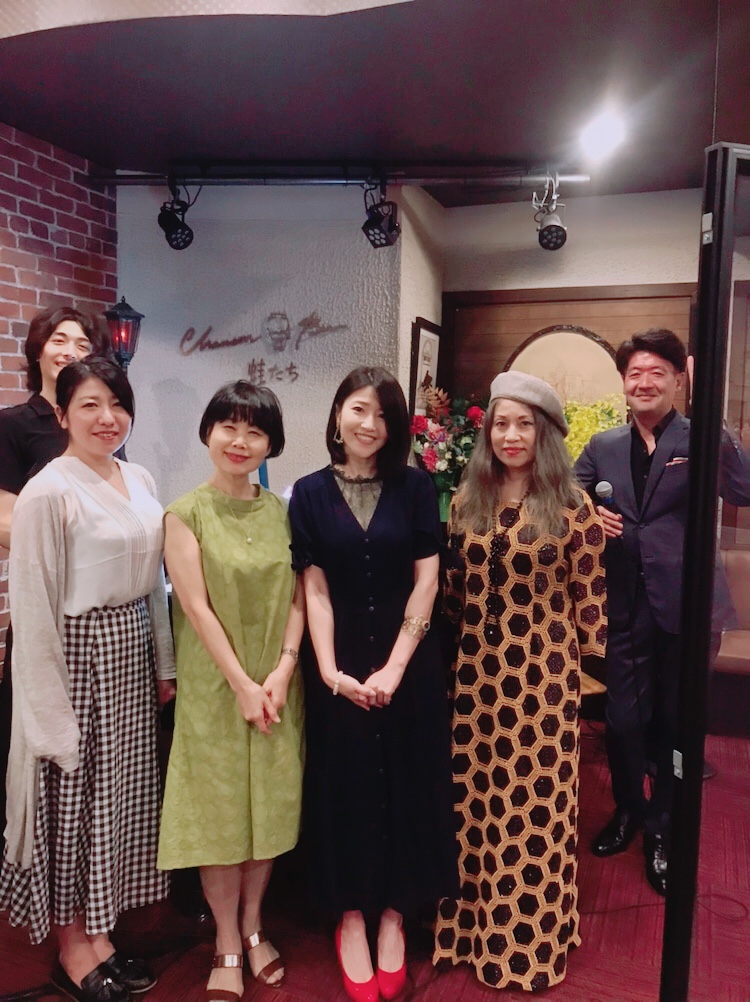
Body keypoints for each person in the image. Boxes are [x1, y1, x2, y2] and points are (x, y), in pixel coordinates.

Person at [0, 356, 175, 1002]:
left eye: (118, 404)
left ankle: (101, 936)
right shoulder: (48, 490)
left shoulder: (139, 477)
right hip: (75, 657)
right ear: (62, 413)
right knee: (72, 804)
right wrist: (48, 714)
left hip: (131, 654)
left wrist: (164, 664)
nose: (108, 418)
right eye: (90, 405)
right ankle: (72, 947)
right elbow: (31, 604)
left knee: (115, 801)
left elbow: (154, 584)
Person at [433, 371, 606, 992]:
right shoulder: (466, 501)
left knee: (532, 808)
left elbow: (590, 599)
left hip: (543, 682)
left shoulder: (573, 506)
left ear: (545, 433)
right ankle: (469, 933)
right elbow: (452, 593)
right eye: (500, 424)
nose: (510, 435)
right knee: (475, 802)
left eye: (524, 424)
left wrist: (593, 680)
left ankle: (528, 946)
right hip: (476, 676)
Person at [289, 366, 457, 1002]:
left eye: (384, 414)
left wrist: (394, 666)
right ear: (338, 414)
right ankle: (352, 917)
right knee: (345, 788)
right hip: (337, 665)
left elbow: (427, 580)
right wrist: (329, 671)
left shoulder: (415, 486)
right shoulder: (308, 493)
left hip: (407, 661)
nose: (369, 424)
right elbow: (314, 589)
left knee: (408, 783)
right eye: (359, 409)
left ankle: (393, 915)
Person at [574, 328, 750, 895]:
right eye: (635, 374)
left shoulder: (701, 437)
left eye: (657, 373)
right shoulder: (603, 445)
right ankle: (629, 807)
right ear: (623, 384)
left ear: (678, 380)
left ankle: (662, 826)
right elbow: (564, 494)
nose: (644, 382)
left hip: (690, 610)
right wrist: (587, 515)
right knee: (623, 721)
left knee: (677, 725)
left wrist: (713, 409)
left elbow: (744, 489)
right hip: (625, 605)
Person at [157, 381, 305, 1002]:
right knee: (218, 816)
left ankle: (253, 925)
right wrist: (242, 684)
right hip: (216, 690)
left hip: (276, 686)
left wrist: (282, 672)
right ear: (208, 433)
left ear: (271, 443)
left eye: (255, 431)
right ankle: (225, 937)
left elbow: (299, 595)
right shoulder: (184, 513)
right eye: (229, 427)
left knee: (267, 807)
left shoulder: (283, 511)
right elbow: (195, 608)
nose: (240, 441)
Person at [0, 306, 112, 852]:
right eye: (59, 340)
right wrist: (75, 547)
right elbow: (5, 521)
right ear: (38, 351)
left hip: (99, 618)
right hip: (47, 605)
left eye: (83, 343)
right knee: (36, 743)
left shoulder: (100, 423)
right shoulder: (14, 424)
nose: (71, 350)